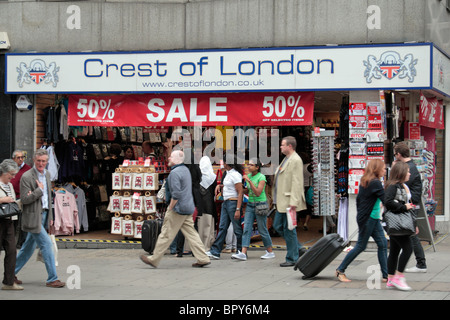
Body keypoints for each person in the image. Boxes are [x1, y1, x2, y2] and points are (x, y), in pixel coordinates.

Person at [140, 150, 210, 268]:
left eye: (171, 157)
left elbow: (176, 194)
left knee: (166, 233)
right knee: (192, 234)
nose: (168, 158)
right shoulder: (185, 170)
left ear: (178, 159)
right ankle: (203, 258)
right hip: (188, 207)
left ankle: (154, 258)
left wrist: (170, 207)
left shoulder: (175, 173)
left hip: (178, 209)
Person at [15, 149, 65, 288]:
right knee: (47, 245)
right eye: (39, 161)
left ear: (47, 161)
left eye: (43, 161)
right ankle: (52, 279)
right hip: (32, 216)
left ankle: (10, 274)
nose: (41, 163)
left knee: (28, 248)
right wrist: (38, 190)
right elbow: (24, 199)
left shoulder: (47, 174)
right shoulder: (26, 176)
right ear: (33, 160)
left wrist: (50, 216)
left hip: (44, 214)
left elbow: (49, 197)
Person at [335, 159, 387, 282]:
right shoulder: (375, 183)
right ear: (377, 169)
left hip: (372, 218)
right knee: (360, 246)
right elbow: (385, 199)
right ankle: (340, 270)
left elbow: (360, 200)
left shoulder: (366, 181)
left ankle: (386, 275)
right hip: (369, 219)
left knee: (383, 244)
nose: (385, 170)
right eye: (383, 168)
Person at [272, 136, 307, 267]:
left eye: (282, 145)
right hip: (282, 201)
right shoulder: (286, 159)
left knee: (289, 229)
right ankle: (298, 247)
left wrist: (294, 201)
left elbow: (297, 182)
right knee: (278, 226)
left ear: (290, 146)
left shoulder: (296, 160)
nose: (281, 147)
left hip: (288, 201)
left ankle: (292, 257)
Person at [393, 141, 427, 273]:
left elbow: (401, 185)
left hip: (410, 205)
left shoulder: (409, 168)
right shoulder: (410, 166)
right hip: (410, 204)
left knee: (411, 234)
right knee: (408, 233)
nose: (394, 156)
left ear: (399, 154)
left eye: (395, 154)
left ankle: (421, 263)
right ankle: (418, 262)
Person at [232, 159, 275, 261]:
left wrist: (249, 181)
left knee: (262, 229)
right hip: (250, 205)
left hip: (260, 205)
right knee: (246, 228)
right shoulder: (250, 176)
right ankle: (243, 252)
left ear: (257, 167)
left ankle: (270, 251)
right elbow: (248, 190)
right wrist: (242, 188)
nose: (248, 167)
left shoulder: (262, 177)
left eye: (251, 165)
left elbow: (258, 193)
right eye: (248, 165)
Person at [384, 161, 416, 291]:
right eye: (407, 171)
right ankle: (398, 276)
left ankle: (391, 279)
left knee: (394, 251)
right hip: (397, 223)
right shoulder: (393, 186)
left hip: (401, 222)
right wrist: (403, 207)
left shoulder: (402, 186)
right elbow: (388, 202)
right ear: (401, 172)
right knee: (408, 249)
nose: (409, 173)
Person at [206, 157, 244, 260]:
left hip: (233, 202)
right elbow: (229, 186)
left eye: (223, 162)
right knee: (222, 227)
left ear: (228, 163)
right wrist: (221, 186)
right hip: (226, 203)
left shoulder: (236, 175)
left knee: (237, 228)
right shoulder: (228, 173)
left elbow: (240, 192)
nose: (221, 163)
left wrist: (237, 209)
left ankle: (240, 251)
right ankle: (215, 251)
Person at [0, 160, 23, 290]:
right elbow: (6, 201)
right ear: (4, 172)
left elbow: (12, 203)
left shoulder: (10, 186)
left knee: (11, 251)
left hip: (9, 221)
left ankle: (8, 282)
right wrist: (3, 199)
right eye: (11, 174)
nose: (13, 177)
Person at [197, 155, 217, 251]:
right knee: (208, 226)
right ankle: (207, 245)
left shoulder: (198, 176)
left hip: (199, 205)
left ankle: (198, 246)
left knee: (199, 226)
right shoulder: (213, 177)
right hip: (209, 205)